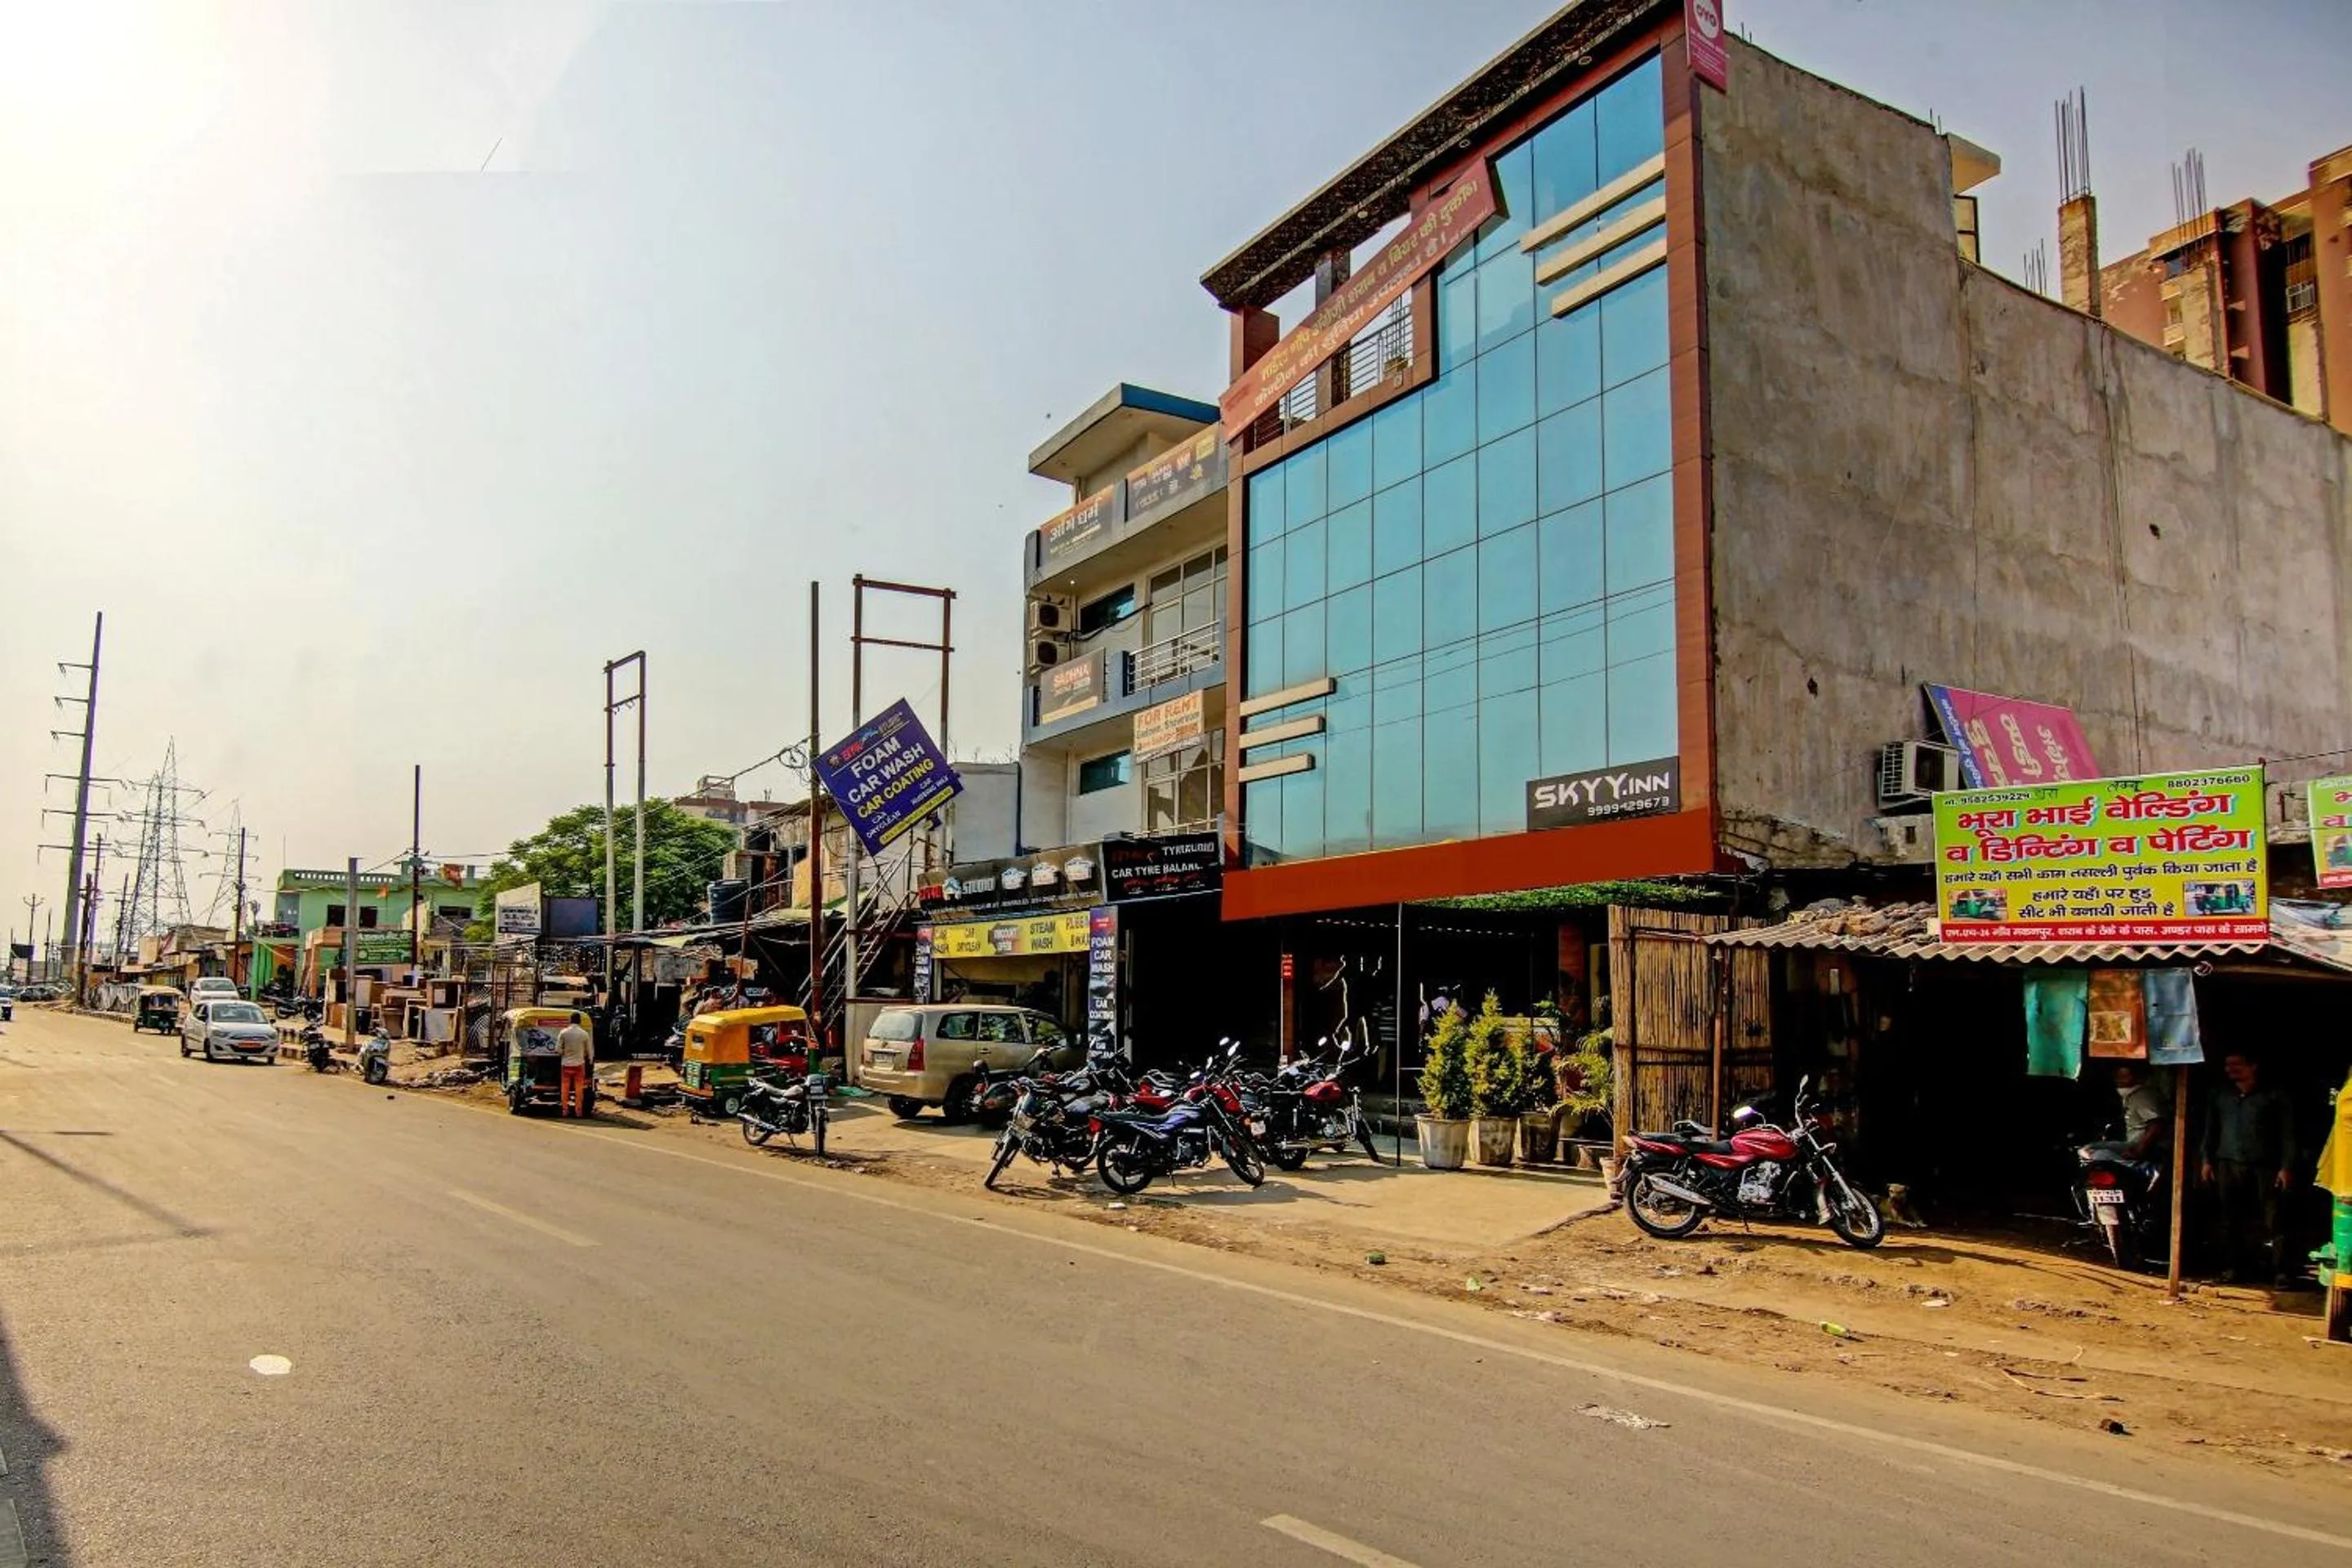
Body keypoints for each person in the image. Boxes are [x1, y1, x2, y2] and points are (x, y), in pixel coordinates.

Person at [2200, 1051, 2301, 1285]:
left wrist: (2286, 1166)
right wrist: (2206, 1160)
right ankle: (2233, 1270)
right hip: (2228, 1164)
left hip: (2266, 1166)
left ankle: (2281, 1273)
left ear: (2253, 1066)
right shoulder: (2221, 1095)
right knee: (2230, 1219)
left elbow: (2288, 1134)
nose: (2231, 1069)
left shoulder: (2273, 1095)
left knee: (2275, 1219)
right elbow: (2210, 1130)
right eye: (2228, 1065)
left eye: (2237, 1064)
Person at [557, 1013, 594, 1119]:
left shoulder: (563, 1033)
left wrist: (564, 1053)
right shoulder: (584, 1034)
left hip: (566, 1064)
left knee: (565, 1088)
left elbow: (558, 1049)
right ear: (580, 1021)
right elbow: (589, 1051)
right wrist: (590, 1060)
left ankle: (565, 1110)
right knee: (579, 1089)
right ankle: (578, 1111)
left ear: (570, 1020)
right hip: (579, 1065)